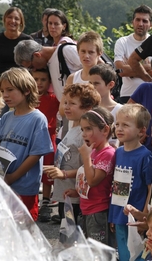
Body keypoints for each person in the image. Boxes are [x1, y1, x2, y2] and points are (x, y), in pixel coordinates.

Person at [0, 68, 53, 221]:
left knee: (23, 231)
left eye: (10, 89)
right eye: (2, 90)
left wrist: (13, 176)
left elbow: (36, 154)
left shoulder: (37, 118)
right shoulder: (6, 117)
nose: (5, 95)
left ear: (27, 90)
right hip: (4, 185)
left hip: (24, 187)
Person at [45, 83, 100, 225]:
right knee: (66, 237)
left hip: (75, 197)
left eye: (72, 103)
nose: (66, 107)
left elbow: (89, 168)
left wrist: (63, 174)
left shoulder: (84, 134)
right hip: (65, 194)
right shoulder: (72, 127)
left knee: (73, 237)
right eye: (66, 102)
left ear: (87, 108)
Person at [108, 104, 152, 261]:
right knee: (123, 254)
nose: (119, 129)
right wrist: (113, 214)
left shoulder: (145, 156)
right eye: (118, 124)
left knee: (136, 254)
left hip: (135, 217)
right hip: (119, 214)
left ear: (141, 131)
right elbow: (117, 185)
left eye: (125, 125)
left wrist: (144, 215)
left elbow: (150, 188)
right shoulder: (118, 152)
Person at [64, 107, 115, 245]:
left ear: (105, 130)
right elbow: (88, 180)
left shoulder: (107, 153)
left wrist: (86, 156)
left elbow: (93, 180)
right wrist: (77, 192)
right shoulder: (93, 151)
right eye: (82, 129)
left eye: (88, 129)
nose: (84, 134)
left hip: (98, 211)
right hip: (86, 209)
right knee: (87, 249)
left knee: (98, 251)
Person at [32, 68, 60, 222]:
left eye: (43, 80)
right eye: (36, 79)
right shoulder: (26, 98)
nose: (39, 83)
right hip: (31, 141)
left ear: (49, 82)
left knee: (47, 172)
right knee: (32, 170)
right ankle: (33, 202)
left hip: (49, 140)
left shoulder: (54, 98)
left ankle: (46, 203)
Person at [14, 39, 82, 101]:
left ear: (37, 55)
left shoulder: (67, 51)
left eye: (31, 66)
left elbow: (91, 70)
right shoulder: (49, 64)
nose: (34, 70)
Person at [114, 5, 152, 103]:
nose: (140, 24)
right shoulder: (122, 42)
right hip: (127, 94)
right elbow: (121, 70)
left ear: (151, 25)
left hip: (150, 93)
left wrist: (131, 67)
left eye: (145, 21)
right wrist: (148, 68)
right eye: (138, 20)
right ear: (132, 22)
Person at [88, 64, 122, 146]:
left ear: (110, 84)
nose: (92, 87)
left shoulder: (121, 110)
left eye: (96, 83)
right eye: (90, 83)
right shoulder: (87, 109)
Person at [0, 7, 32, 79]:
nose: (13, 21)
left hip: (21, 81)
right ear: (5, 19)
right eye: (9, 17)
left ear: (21, 22)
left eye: (16, 19)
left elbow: (33, 64)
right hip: (0, 81)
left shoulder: (27, 40)